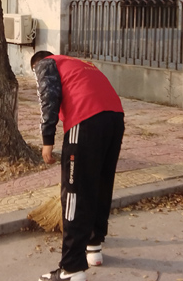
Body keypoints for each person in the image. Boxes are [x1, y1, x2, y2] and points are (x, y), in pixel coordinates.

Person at [31, 51, 125, 281]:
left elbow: (48, 98)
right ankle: (94, 246)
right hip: (115, 118)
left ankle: (71, 269)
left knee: (74, 193)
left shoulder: (45, 64)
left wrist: (47, 141)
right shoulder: (79, 63)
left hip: (86, 119)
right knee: (101, 185)